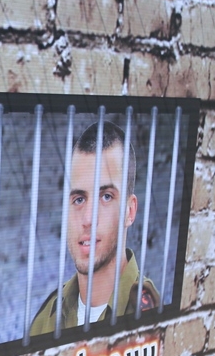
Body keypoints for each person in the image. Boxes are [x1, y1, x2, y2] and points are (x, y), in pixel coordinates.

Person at [29, 121, 158, 335]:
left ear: (130, 211)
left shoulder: (149, 316)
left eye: (106, 197)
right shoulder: (46, 320)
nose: (88, 218)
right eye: (79, 199)